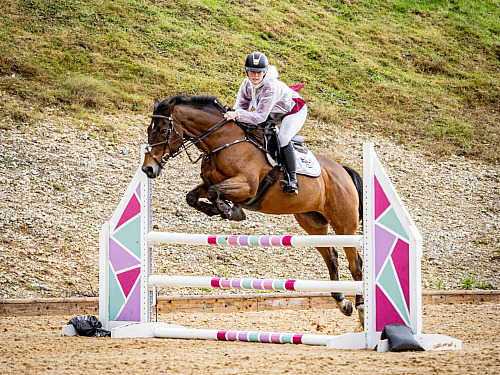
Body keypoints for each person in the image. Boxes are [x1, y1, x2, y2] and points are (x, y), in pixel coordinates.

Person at [224, 52, 307, 194]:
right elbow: (241, 107)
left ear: (265, 72)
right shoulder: (246, 84)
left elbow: (259, 116)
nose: (255, 76)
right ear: (246, 71)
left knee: (283, 138)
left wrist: (237, 114)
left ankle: (292, 180)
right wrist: (235, 114)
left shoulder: (270, 86)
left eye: (259, 72)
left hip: (293, 111)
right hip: (271, 113)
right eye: (252, 71)